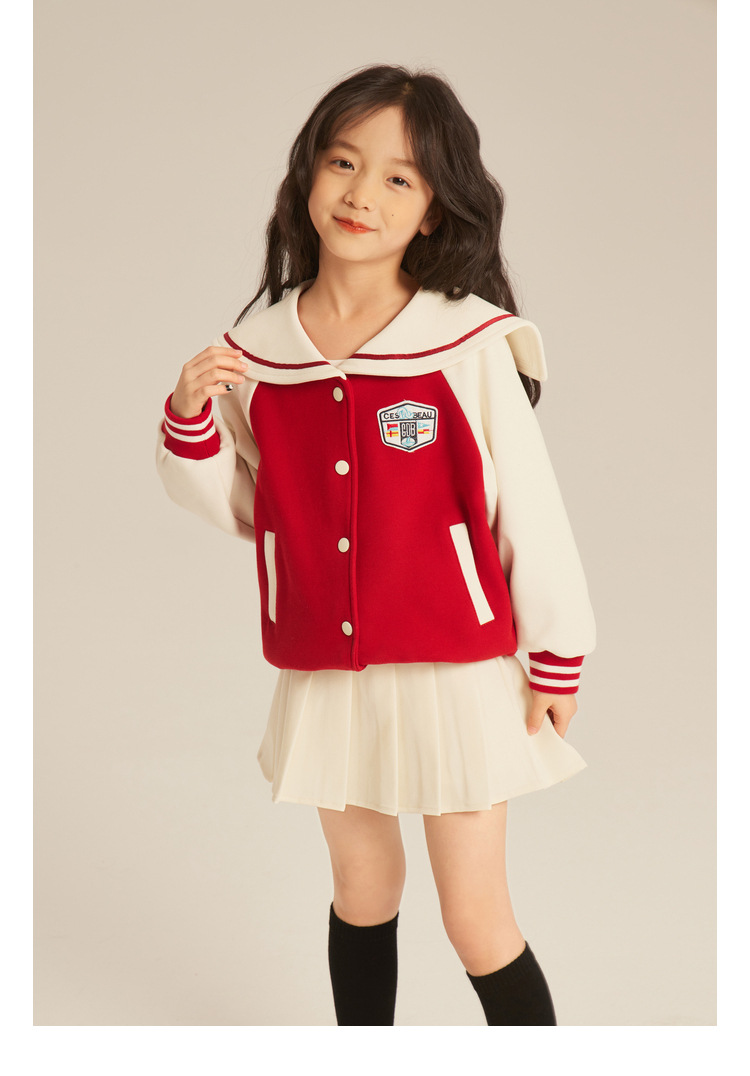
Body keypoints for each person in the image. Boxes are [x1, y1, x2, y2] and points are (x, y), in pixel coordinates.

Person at [155, 63, 596, 1027]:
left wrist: (556, 651)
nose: (362, 193)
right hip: (327, 666)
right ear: (307, 175)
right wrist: (190, 416)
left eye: (400, 177)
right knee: (362, 893)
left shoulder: (467, 343)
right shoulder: (259, 353)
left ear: (436, 210)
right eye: (343, 162)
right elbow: (250, 507)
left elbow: (529, 506)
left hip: (456, 667)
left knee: (476, 919)